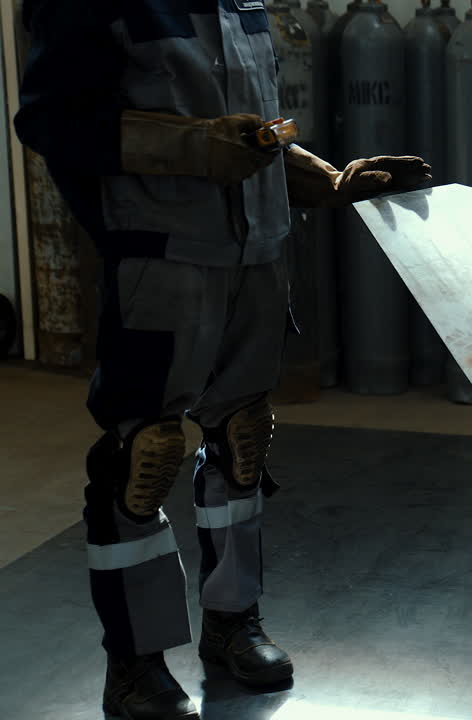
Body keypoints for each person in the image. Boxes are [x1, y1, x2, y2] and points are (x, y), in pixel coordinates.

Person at [15, 2, 432, 718]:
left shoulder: (242, 7)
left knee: (242, 440)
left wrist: (331, 182)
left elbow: (258, 140)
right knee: (141, 459)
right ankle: (135, 665)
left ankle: (232, 623)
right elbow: (51, 123)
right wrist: (191, 147)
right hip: (162, 259)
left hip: (258, 258)